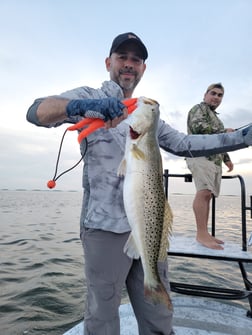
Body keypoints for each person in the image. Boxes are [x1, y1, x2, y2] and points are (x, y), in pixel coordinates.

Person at [26, 32, 252, 335]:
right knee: (102, 316)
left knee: (158, 313)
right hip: (103, 227)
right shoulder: (90, 95)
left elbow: (186, 143)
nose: (129, 64)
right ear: (109, 62)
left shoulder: (146, 111)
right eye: (123, 57)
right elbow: (36, 112)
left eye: (137, 60)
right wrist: (78, 106)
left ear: (143, 68)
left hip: (149, 225)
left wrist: (243, 137)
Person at [186, 83, 234, 250]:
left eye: (220, 95)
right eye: (213, 93)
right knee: (204, 192)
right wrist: (225, 132)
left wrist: (226, 158)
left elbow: (219, 141)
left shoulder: (217, 118)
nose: (216, 97)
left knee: (208, 195)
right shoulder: (198, 109)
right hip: (199, 155)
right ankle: (200, 234)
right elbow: (198, 127)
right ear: (205, 94)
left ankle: (205, 232)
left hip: (214, 160)